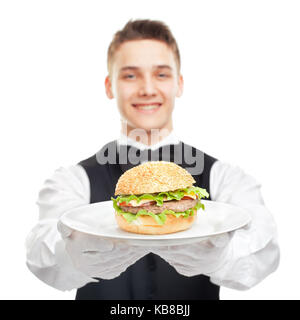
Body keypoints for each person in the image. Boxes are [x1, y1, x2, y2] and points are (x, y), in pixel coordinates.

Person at [25, 19, 280, 300]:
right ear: (110, 86)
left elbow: (267, 254)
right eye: (130, 76)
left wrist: (224, 258)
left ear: (178, 84)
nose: (147, 88)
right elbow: (40, 255)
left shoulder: (224, 175)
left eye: (161, 74)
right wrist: (70, 256)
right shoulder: (72, 179)